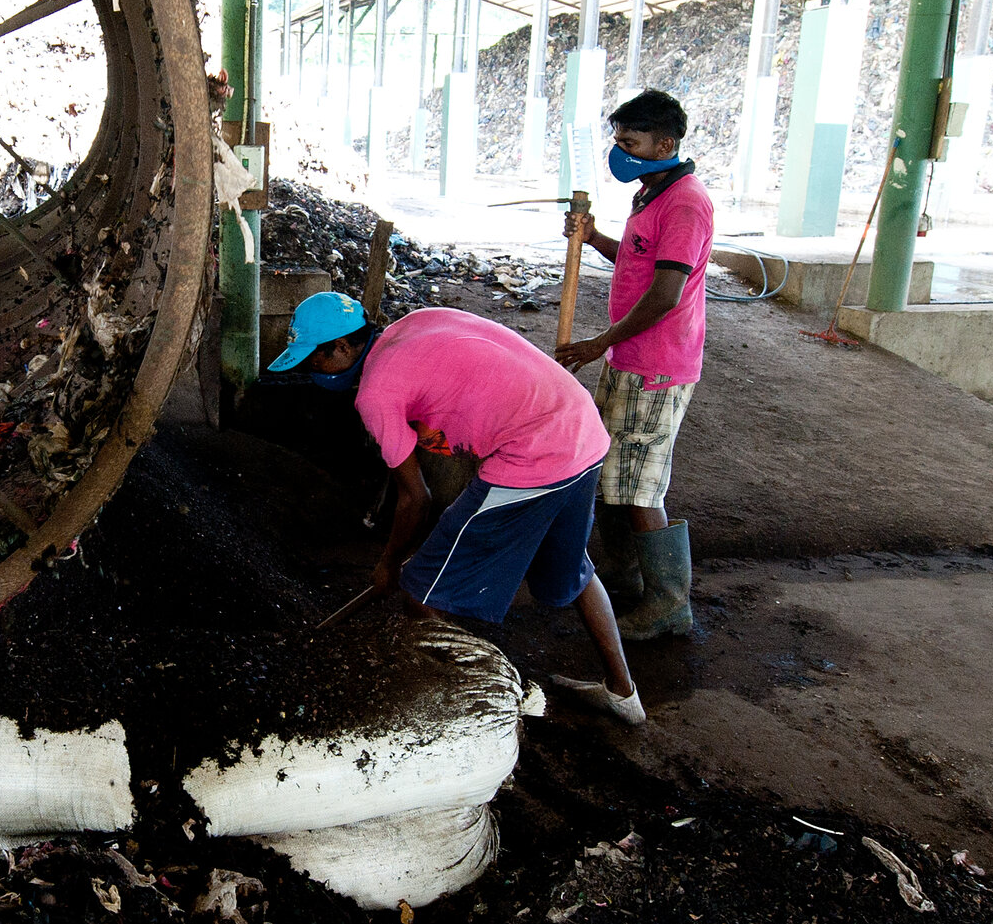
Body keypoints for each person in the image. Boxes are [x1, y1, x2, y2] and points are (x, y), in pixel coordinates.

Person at [271, 290, 645, 724]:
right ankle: (623, 694)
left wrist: (390, 563)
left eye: (312, 359)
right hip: (579, 427)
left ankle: (450, 719)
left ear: (340, 348)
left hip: (534, 455)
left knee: (421, 593)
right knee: (574, 571)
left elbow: (417, 497)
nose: (308, 368)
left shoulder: (375, 394)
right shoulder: (417, 322)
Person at [556, 89, 713, 642]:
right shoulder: (652, 192)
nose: (619, 152)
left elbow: (666, 293)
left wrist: (599, 343)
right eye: (617, 142)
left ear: (665, 144)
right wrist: (594, 237)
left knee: (640, 484)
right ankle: (628, 585)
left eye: (630, 142)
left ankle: (669, 603)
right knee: (616, 475)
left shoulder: (685, 203)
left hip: (658, 366)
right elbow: (638, 260)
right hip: (633, 357)